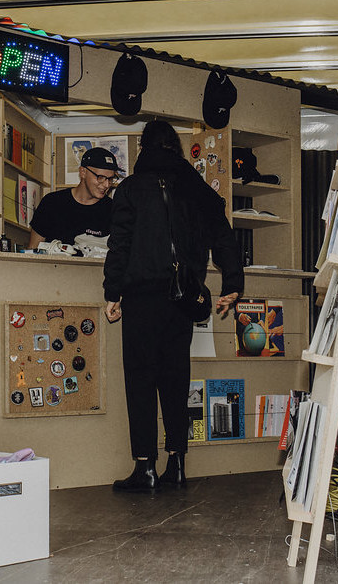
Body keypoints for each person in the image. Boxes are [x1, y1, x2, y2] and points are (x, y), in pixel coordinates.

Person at [102, 119, 243, 493]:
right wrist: (232, 283)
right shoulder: (196, 189)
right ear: (178, 150)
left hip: (142, 297)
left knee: (141, 380)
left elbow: (120, 245)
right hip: (183, 297)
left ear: (143, 149)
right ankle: (177, 463)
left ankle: (145, 467)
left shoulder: (130, 189)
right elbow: (223, 236)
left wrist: (112, 293)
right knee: (176, 379)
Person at [28, 147, 120, 248]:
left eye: (111, 179)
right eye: (101, 177)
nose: (107, 185)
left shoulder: (114, 210)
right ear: (83, 172)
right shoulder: (52, 203)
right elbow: (33, 251)